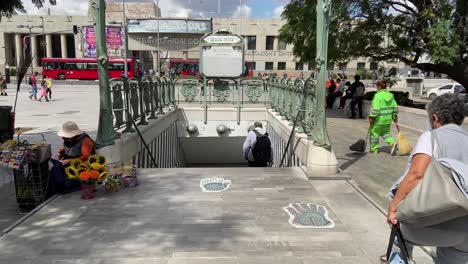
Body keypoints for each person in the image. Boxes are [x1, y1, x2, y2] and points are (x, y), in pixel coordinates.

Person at [386, 94, 468, 263]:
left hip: (429, 223)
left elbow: (417, 174)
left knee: (399, 235)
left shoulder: (431, 137)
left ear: (434, 117)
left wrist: (393, 208)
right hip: (465, 229)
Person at [51, 121, 96, 193]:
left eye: (65, 136)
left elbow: (86, 156)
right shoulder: (67, 140)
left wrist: (69, 160)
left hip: (82, 167)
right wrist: (60, 154)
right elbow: (65, 150)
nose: (64, 138)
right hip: (70, 164)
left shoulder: (85, 140)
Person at [368, 81, 398, 154]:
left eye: (376, 87)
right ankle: (392, 143)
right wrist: (394, 116)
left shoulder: (377, 96)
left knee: (374, 134)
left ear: (379, 87)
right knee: (386, 133)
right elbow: (395, 108)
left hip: (378, 121)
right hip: (387, 120)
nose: (376, 88)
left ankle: (374, 149)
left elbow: (376, 109)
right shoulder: (391, 96)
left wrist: (372, 117)